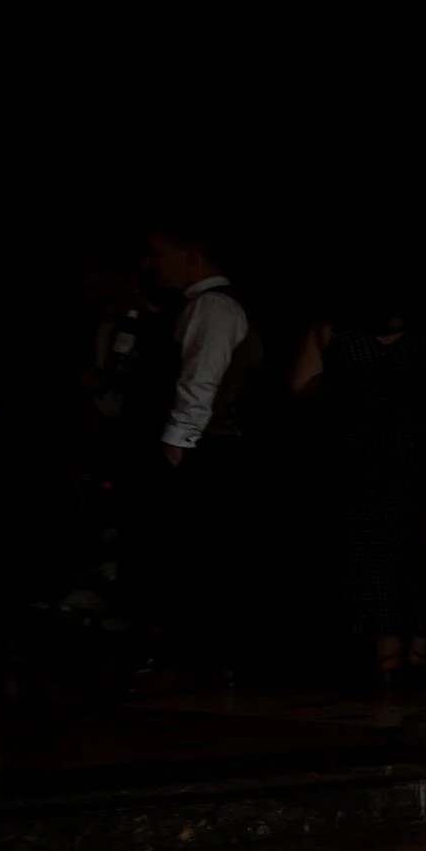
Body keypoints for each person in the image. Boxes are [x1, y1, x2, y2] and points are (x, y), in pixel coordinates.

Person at [130, 223, 262, 686]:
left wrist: (173, 448)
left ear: (192, 255)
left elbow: (200, 385)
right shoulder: (192, 307)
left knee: (196, 557)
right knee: (195, 558)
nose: (150, 265)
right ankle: (197, 656)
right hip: (203, 446)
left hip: (206, 450)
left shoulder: (213, 306)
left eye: (158, 253)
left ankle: (200, 658)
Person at [289, 296, 426, 684]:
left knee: (375, 548)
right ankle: (416, 646)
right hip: (411, 449)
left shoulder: (332, 331)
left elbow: (301, 384)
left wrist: (353, 394)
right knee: (411, 545)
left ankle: (388, 650)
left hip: (364, 448)